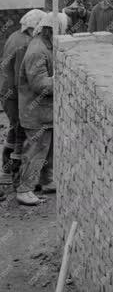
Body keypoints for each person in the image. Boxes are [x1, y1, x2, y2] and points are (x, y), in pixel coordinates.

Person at [16, 12, 66, 205]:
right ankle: (25, 189)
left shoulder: (45, 45)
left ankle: (46, 181)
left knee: (47, 149)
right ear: (50, 30)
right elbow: (41, 85)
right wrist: (63, 78)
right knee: (35, 150)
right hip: (35, 113)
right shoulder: (38, 50)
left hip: (44, 112)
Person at [0, 9, 46, 188]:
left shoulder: (14, 36)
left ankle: (6, 170)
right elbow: (23, 75)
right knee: (20, 132)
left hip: (6, 90)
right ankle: (16, 175)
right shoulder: (26, 43)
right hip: (15, 93)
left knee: (13, 128)